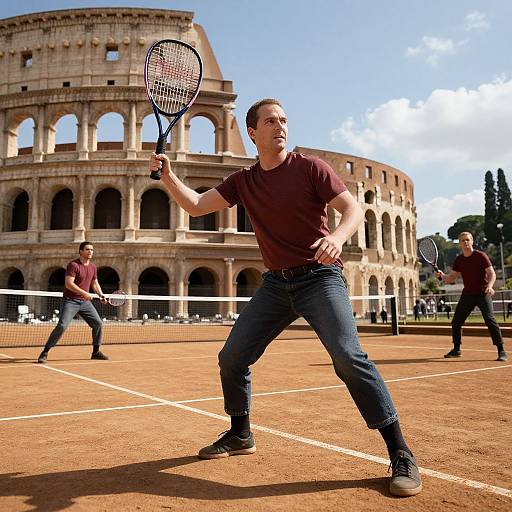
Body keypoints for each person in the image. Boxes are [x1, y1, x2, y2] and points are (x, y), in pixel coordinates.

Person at [149, 98, 422, 497]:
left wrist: (336, 237)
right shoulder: (243, 180)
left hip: (320, 278)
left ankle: (400, 452)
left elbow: (351, 210)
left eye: (284, 120)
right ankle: (240, 433)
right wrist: (169, 176)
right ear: (253, 133)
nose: (280, 126)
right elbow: (195, 206)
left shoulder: (310, 167)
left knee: (348, 357)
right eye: (271, 121)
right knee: (232, 357)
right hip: (276, 285)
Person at [436, 232, 507, 362]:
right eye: (462, 240)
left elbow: (491, 273)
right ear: (460, 243)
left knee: (490, 319)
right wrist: (441, 276)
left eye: (467, 240)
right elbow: (451, 278)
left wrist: (490, 286)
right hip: (468, 294)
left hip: (482, 293)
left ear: (472, 241)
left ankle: (501, 350)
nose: (465, 242)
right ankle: (456, 349)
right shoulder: (459, 260)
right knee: (456, 322)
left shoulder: (481, 256)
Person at [37, 242, 109, 363]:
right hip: (70, 301)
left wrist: (101, 295)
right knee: (62, 325)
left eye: (91, 250)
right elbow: (69, 284)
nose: (90, 251)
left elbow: (94, 283)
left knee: (98, 324)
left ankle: (96, 352)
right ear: (80, 251)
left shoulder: (93, 267)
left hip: (85, 303)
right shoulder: (73, 265)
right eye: (87, 249)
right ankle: (45, 352)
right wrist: (84, 293)